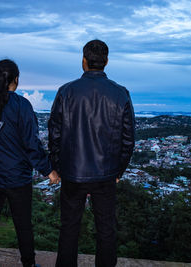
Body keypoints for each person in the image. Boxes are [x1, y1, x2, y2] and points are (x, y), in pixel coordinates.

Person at [48, 40, 135, 267]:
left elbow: (54, 134)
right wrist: (119, 171)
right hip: (106, 173)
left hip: (73, 172)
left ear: (84, 61)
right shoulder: (120, 93)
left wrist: (58, 165)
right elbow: (128, 139)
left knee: (69, 227)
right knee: (106, 228)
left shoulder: (66, 92)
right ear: (106, 61)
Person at [0, 59, 60, 267]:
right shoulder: (21, 105)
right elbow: (31, 144)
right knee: (23, 225)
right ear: (15, 80)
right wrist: (49, 171)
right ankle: (28, 264)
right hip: (17, 178)